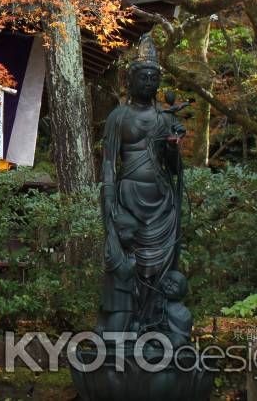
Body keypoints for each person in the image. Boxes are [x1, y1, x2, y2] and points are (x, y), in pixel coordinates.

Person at [101, 34, 186, 329]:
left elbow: (173, 169)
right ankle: (128, 319)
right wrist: (109, 201)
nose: (149, 82)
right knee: (130, 260)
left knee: (159, 264)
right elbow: (109, 163)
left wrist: (174, 145)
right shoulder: (119, 116)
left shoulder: (165, 119)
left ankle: (154, 318)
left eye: (153, 77)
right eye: (143, 76)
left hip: (161, 199)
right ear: (131, 80)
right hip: (129, 196)